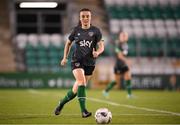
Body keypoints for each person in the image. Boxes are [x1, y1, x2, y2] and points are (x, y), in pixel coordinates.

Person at [54, 8, 104, 118]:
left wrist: (98, 52)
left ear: (90, 18)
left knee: (76, 90)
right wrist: (65, 58)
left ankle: (61, 103)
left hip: (90, 63)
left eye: (87, 16)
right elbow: (68, 43)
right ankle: (84, 111)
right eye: (83, 16)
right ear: (80, 18)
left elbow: (101, 46)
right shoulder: (76, 30)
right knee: (81, 82)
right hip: (77, 60)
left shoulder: (96, 31)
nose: (85, 18)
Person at [103, 31, 133, 98]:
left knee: (128, 77)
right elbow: (119, 56)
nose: (124, 37)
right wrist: (127, 61)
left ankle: (129, 94)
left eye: (125, 36)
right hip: (118, 64)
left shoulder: (125, 44)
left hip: (124, 64)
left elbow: (124, 54)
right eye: (123, 36)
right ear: (120, 37)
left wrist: (126, 61)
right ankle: (106, 91)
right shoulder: (118, 44)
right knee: (116, 81)